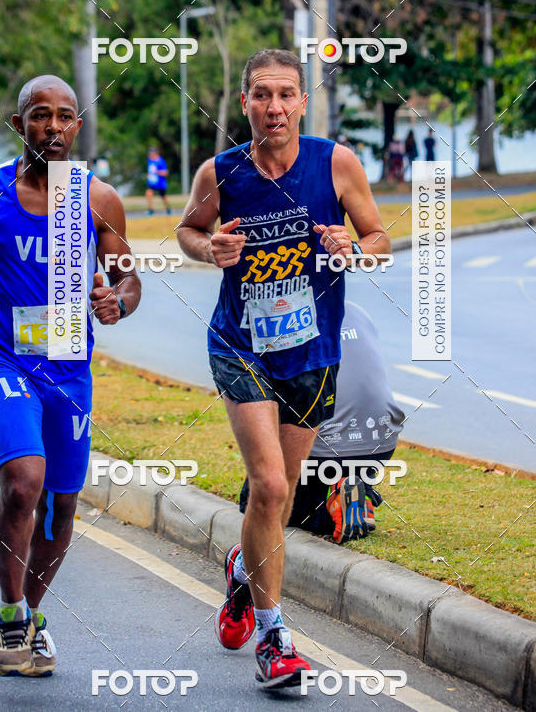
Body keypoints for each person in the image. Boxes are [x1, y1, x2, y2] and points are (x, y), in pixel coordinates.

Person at [177, 48, 390, 689]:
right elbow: (188, 231)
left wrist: (356, 247)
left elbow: (380, 241)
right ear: (244, 103)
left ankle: (244, 569)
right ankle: (277, 640)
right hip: (240, 345)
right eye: (262, 95)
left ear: (302, 101)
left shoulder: (337, 163)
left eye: (286, 94)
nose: (274, 106)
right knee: (269, 487)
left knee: (282, 492)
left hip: (313, 352)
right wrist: (207, 246)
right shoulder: (222, 170)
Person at [0, 74, 141, 677]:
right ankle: (10, 616)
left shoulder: (95, 199)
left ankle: (29, 618)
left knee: (61, 505)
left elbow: (128, 278)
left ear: (77, 128)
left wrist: (119, 300)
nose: (52, 127)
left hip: (66, 367)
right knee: (24, 481)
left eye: (64, 117)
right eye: (39, 115)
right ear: (19, 125)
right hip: (2, 358)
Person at [239, 302, 405, 542]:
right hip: (379, 443)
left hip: (320, 450)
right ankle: (354, 487)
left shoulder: (279, 319)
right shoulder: (356, 309)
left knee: (256, 500)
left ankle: (334, 502)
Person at [146, 146, 170, 215]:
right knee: (148, 193)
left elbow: (165, 173)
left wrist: (157, 172)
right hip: (152, 182)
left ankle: (168, 208)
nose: (151, 155)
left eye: (152, 154)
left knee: (163, 196)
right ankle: (151, 210)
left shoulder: (161, 161)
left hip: (160, 182)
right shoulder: (150, 160)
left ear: (156, 153)